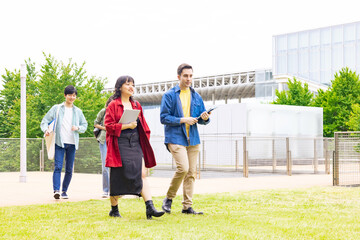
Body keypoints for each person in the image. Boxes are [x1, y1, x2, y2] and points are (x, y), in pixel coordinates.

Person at [104, 75, 165, 219]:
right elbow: (108, 126)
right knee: (118, 175)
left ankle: (150, 207)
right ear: (119, 87)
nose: (131, 87)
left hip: (136, 142)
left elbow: (144, 125)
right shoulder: (113, 105)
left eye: (132, 84)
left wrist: (144, 139)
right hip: (120, 143)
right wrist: (126, 126)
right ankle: (114, 209)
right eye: (127, 84)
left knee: (142, 173)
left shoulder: (137, 105)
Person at [160, 63, 210, 215]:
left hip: (193, 138)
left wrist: (205, 118)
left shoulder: (196, 96)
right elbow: (164, 118)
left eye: (191, 76)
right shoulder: (169, 95)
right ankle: (168, 198)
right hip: (175, 137)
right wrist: (183, 119)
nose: (189, 79)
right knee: (183, 168)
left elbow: (201, 118)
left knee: (191, 173)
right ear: (178, 77)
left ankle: (187, 207)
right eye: (185, 76)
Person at [40, 85, 88, 200]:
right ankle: (56, 190)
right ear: (65, 95)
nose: (72, 97)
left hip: (72, 143)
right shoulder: (56, 108)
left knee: (69, 169)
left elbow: (84, 125)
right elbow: (45, 121)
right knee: (58, 167)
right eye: (70, 95)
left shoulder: (78, 111)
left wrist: (77, 128)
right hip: (59, 142)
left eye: (74, 95)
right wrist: (46, 130)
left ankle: (64, 191)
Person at [94, 98, 112, 198]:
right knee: (105, 166)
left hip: (115, 140)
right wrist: (105, 128)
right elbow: (95, 123)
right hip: (104, 139)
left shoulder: (118, 112)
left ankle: (115, 189)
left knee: (115, 167)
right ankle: (106, 190)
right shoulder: (103, 111)